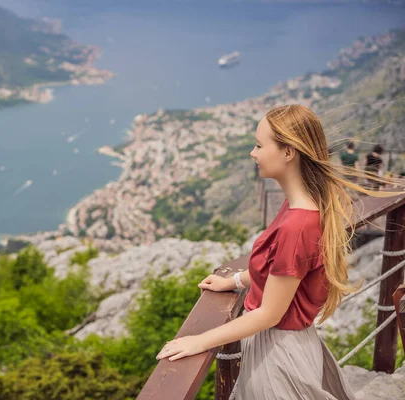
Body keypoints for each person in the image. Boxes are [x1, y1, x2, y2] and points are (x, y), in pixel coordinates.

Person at [155, 105, 402, 399]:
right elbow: (283, 272)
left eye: (260, 145)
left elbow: (269, 314)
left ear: (288, 153)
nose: (253, 153)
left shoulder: (297, 225)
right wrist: (235, 281)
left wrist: (200, 341)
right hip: (292, 347)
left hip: (277, 360)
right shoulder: (305, 205)